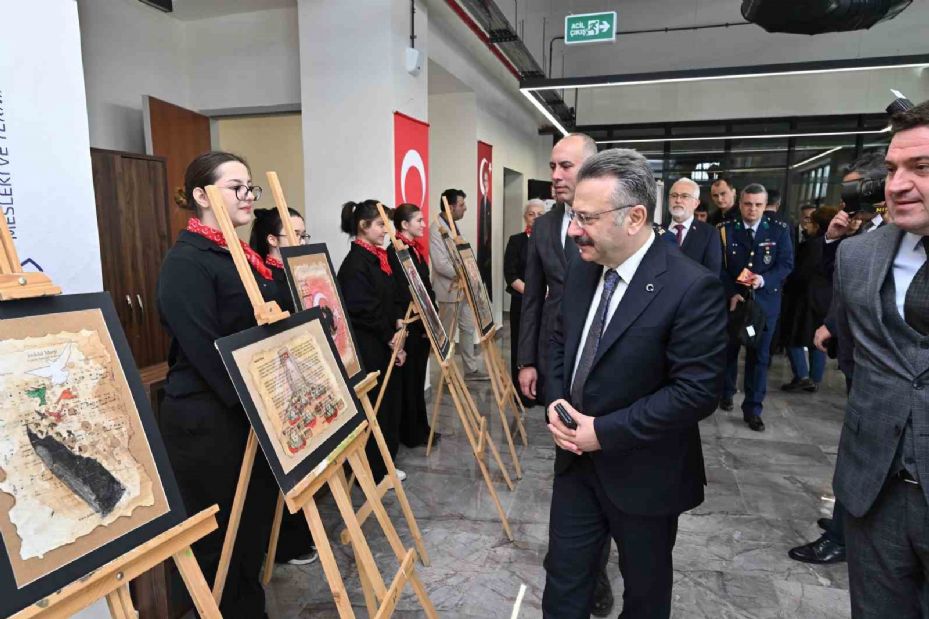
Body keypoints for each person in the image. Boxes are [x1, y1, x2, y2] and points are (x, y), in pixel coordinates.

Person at [542, 148, 726, 619]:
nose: (574, 229)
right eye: (573, 215)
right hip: (575, 466)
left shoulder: (690, 286)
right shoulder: (583, 268)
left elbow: (696, 390)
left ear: (634, 217)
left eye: (585, 217)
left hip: (646, 472)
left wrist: (602, 432)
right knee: (565, 580)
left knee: (644, 594)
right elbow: (561, 340)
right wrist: (556, 400)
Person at [156, 151, 278, 618]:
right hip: (210, 424)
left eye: (250, 187)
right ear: (202, 197)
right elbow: (208, 353)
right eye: (236, 187)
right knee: (220, 547)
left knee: (249, 537)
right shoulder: (187, 262)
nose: (248, 196)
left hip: (248, 414)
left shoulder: (242, 256)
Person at [829, 100, 929, 618]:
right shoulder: (856, 256)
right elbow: (854, 357)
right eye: (892, 169)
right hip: (874, 492)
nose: (897, 185)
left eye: (922, 168)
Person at [517, 133, 616, 615]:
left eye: (566, 166)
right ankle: (576, 557)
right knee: (568, 459)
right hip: (554, 363)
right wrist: (526, 361)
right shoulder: (544, 227)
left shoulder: (612, 224)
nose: (555, 175)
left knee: (599, 464)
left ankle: (592, 570)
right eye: (552, 166)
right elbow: (531, 298)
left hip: (601, 362)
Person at [789, 153, 890, 566]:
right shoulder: (864, 233)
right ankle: (849, 525)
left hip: (884, 369)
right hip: (860, 361)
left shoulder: (893, 233)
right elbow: (840, 282)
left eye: (852, 189)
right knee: (858, 447)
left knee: (863, 452)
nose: (846, 198)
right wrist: (831, 240)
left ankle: (843, 537)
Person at [338, 200, 407, 482]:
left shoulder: (376, 257)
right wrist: (391, 337)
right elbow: (362, 310)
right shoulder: (355, 263)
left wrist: (399, 325)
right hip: (369, 347)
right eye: (381, 224)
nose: (386, 230)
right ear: (363, 227)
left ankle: (386, 463)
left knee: (388, 406)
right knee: (375, 408)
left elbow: (388, 300)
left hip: (385, 342)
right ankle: (375, 471)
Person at [719, 183, 794, 431]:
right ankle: (726, 393)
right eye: (748, 204)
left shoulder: (779, 230)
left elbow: (786, 264)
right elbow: (718, 267)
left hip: (764, 304)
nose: (752, 209)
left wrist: (765, 280)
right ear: (740, 204)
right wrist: (731, 292)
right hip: (734, 304)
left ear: (766, 206)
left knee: (759, 358)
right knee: (728, 352)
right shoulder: (726, 230)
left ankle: (753, 409)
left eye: (758, 205)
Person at [388, 203, 437, 448]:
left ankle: (421, 427)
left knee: (418, 378)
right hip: (409, 322)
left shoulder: (412, 250)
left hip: (422, 322)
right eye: (418, 220)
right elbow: (402, 289)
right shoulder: (396, 251)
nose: (423, 224)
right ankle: (411, 432)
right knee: (409, 380)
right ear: (404, 225)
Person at [779, 206, 836, 393]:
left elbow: (801, 273)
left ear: (817, 225)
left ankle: (802, 376)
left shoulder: (813, 245)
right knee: (818, 340)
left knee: (793, 337)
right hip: (825, 299)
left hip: (805, 299)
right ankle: (815, 378)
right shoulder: (836, 243)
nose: (807, 225)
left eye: (810, 222)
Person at [430, 188, 485, 380]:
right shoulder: (437, 228)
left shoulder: (453, 226)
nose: (465, 208)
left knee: (468, 328)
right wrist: (467, 274)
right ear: (451, 207)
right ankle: (448, 375)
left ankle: (471, 370)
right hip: (448, 291)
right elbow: (441, 265)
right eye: (461, 205)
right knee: (448, 335)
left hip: (463, 289)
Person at [503, 199, 545, 404]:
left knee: (544, 345)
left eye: (540, 215)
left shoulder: (553, 241)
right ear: (525, 217)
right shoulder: (516, 241)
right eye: (531, 214)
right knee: (521, 345)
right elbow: (510, 274)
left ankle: (542, 390)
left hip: (548, 304)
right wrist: (533, 293)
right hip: (522, 303)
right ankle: (521, 394)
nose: (536, 218)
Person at [662, 177, 722, 274]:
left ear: (696, 203)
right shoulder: (658, 230)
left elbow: (712, 275)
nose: (678, 200)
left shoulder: (709, 234)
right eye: (674, 195)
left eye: (684, 196)